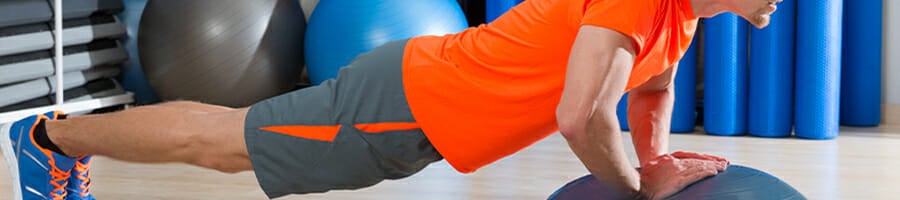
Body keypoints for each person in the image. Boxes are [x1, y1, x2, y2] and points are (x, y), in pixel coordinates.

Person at [1, 0, 781, 199]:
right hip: (408, 103)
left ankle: (57, 138)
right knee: (226, 144)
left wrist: (658, 155)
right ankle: (53, 139)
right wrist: (645, 185)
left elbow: (654, 89)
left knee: (232, 139)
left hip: (419, 97)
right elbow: (583, 115)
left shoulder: (675, 19)